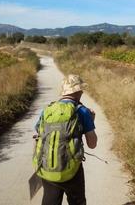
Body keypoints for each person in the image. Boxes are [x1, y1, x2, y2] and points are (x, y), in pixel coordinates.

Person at [33, 74, 98, 205]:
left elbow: (38, 131)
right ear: (79, 91)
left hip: (47, 166)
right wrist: (91, 120)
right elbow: (92, 144)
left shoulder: (48, 110)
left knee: (50, 200)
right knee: (77, 201)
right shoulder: (82, 111)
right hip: (72, 168)